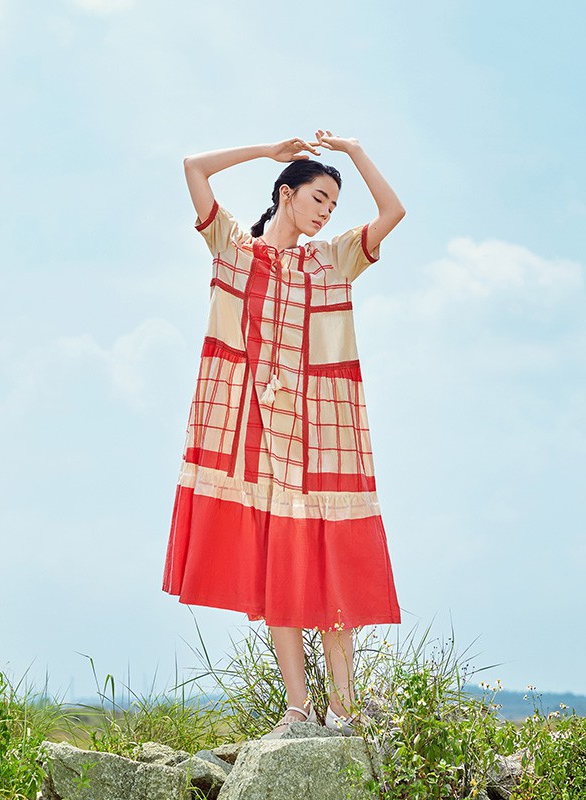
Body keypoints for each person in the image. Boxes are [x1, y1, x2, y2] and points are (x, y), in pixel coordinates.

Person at [162, 130, 406, 739]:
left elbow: (393, 211)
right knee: (278, 574)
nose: (327, 212)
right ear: (286, 194)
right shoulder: (233, 249)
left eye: (334, 204)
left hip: (323, 438)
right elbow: (193, 166)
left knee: (331, 569)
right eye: (319, 197)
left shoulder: (333, 259)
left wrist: (353, 151)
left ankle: (343, 707)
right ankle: (297, 708)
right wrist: (267, 151)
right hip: (248, 438)